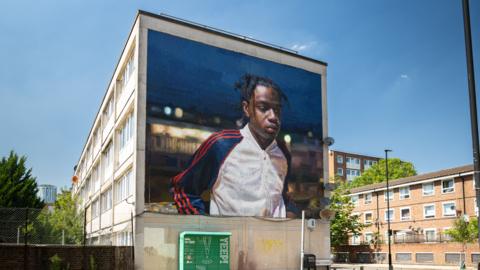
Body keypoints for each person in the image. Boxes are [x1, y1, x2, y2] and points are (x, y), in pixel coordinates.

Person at [170, 74, 298, 218]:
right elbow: (182, 189)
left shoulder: (283, 153)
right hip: (231, 239)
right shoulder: (222, 145)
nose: (273, 116)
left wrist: (290, 213)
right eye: (263, 108)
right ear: (246, 108)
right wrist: (204, 227)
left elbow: (281, 196)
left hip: (274, 240)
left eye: (277, 109)